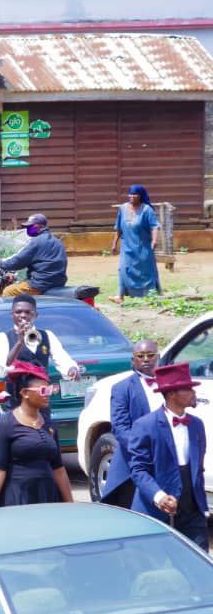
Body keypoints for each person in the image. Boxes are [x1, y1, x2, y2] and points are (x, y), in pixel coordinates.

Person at [128, 363, 208, 551]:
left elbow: (198, 469)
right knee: (159, 567)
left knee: (199, 564)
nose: (193, 392)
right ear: (171, 394)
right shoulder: (145, 425)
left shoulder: (197, 425)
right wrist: (159, 496)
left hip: (192, 509)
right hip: (156, 511)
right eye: (187, 389)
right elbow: (138, 470)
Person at [0, 362, 73, 509]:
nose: (48, 394)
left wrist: (70, 504)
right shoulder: (5, 424)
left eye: (50, 390)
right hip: (18, 497)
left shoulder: (48, 424)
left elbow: (59, 469)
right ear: (25, 393)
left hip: (47, 496)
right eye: (43, 390)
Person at [0, 294, 80, 409]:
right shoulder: (3, 338)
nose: (23, 316)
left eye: (28, 312)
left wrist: (71, 368)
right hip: (17, 403)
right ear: (12, 314)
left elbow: (61, 357)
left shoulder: (47, 335)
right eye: (18, 312)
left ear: (35, 315)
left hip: (41, 401)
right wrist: (19, 342)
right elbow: (1, 369)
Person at [101, 340, 161, 508]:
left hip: (165, 460)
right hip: (135, 460)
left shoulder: (168, 384)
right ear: (133, 359)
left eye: (151, 355)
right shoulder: (122, 388)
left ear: (158, 357)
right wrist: (143, 449)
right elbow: (120, 428)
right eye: (140, 356)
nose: (146, 359)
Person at [0, 213, 67, 297]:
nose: (27, 229)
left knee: (8, 291)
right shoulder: (57, 241)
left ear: (37, 226)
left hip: (40, 284)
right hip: (57, 282)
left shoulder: (36, 242)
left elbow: (18, 261)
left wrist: (2, 263)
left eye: (29, 227)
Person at [111, 185, 161, 303]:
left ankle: (151, 295)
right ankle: (120, 296)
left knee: (146, 272)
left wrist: (154, 240)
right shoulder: (123, 209)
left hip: (143, 247)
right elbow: (118, 228)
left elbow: (154, 226)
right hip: (127, 247)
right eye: (130, 194)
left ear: (141, 196)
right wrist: (114, 243)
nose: (132, 196)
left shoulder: (146, 210)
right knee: (123, 269)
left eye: (135, 194)